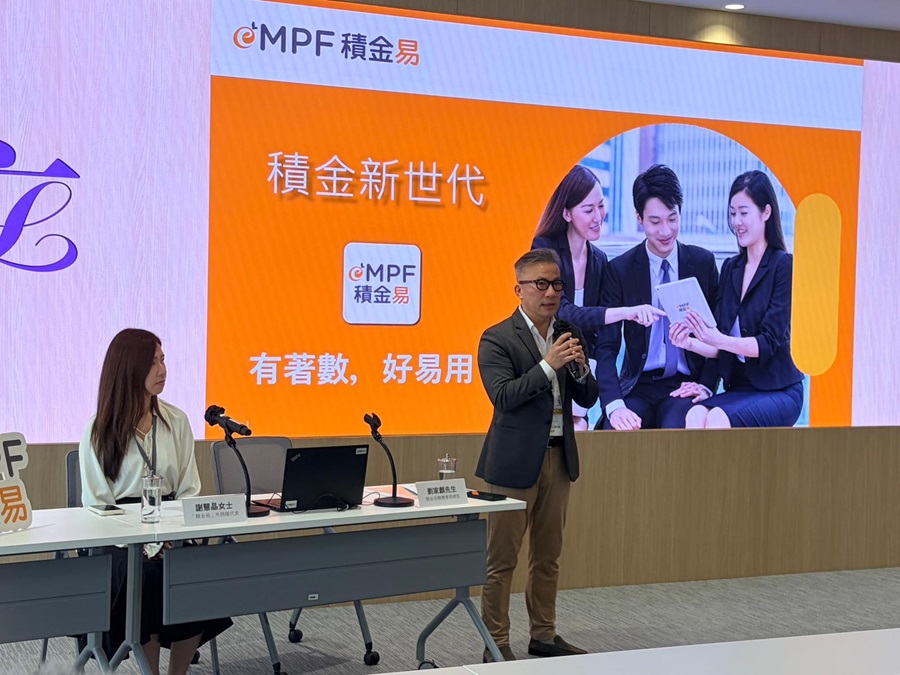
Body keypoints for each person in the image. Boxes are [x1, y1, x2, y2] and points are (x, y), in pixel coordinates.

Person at [79, 328, 231, 675]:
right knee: (145, 577)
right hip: (119, 535)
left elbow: (189, 490)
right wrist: (144, 542)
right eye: (152, 362)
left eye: (163, 360)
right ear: (129, 368)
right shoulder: (98, 430)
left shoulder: (176, 420)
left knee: (197, 570)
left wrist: (169, 535)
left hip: (171, 525)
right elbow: (98, 505)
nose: (163, 370)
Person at [476, 248, 599, 662]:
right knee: (502, 561)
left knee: (548, 557)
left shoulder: (567, 332)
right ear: (519, 290)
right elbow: (504, 397)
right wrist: (548, 364)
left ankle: (543, 634)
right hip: (513, 464)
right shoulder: (497, 337)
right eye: (541, 284)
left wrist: (579, 367)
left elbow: (588, 396)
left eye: (557, 284)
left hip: (559, 458)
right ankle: (496, 643)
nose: (551, 293)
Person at [532, 164, 663, 429]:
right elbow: (563, 312)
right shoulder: (544, 250)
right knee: (558, 429)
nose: (598, 216)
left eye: (601, 206)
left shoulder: (600, 261)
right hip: (540, 362)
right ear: (567, 213)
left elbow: (599, 339)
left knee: (578, 427)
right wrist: (626, 312)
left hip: (577, 369)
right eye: (588, 209)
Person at [669, 170, 804, 427]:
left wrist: (716, 338)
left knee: (718, 417)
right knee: (695, 414)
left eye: (744, 213)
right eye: (732, 214)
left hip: (779, 389)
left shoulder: (783, 266)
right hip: (740, 387)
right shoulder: (731, 267)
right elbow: (720, 343)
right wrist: (689, 343)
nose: (736, 222)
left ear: (766, 212)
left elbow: (766, 343)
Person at [596, 164, 719, 430]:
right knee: (617, 432)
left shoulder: (703, 263)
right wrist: (615, 405)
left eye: (672, 219)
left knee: (678, 433)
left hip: (685, 383)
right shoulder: (620, 270)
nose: (665, 231)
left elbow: (719, 335)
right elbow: (606, 347)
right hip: (637, 384)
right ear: (639, 218)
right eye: (655, 222)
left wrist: (706, 386)